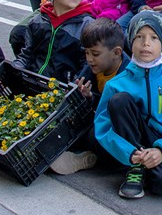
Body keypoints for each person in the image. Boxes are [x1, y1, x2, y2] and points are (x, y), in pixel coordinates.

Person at [94, 11, 162, 199]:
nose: (146, 43)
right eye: (139, 37)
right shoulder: (116, 84)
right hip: (132, 141)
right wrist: (128, 152)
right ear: (130, 42)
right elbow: (103, 126)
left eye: (153, 37)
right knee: (119, 100)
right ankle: (135, 166)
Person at [50, 18, 131, 176]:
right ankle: (84, 154)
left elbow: (114, 110)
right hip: (98, 120)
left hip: (115, 130)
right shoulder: (94, 67)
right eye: (86, 52)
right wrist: (84, 95)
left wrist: (92, 100)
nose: (89, 58)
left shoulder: (128, 75)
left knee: (93, 137)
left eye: (95, 54)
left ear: (116, 53)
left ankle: (92, 157)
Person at [13, 0, 90, 82]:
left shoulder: (86, 26)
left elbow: (86, 66)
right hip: (34, 82)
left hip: (61, 89)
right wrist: (15, 69)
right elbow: (26, 55)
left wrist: (75, 84)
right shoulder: (37, 21)